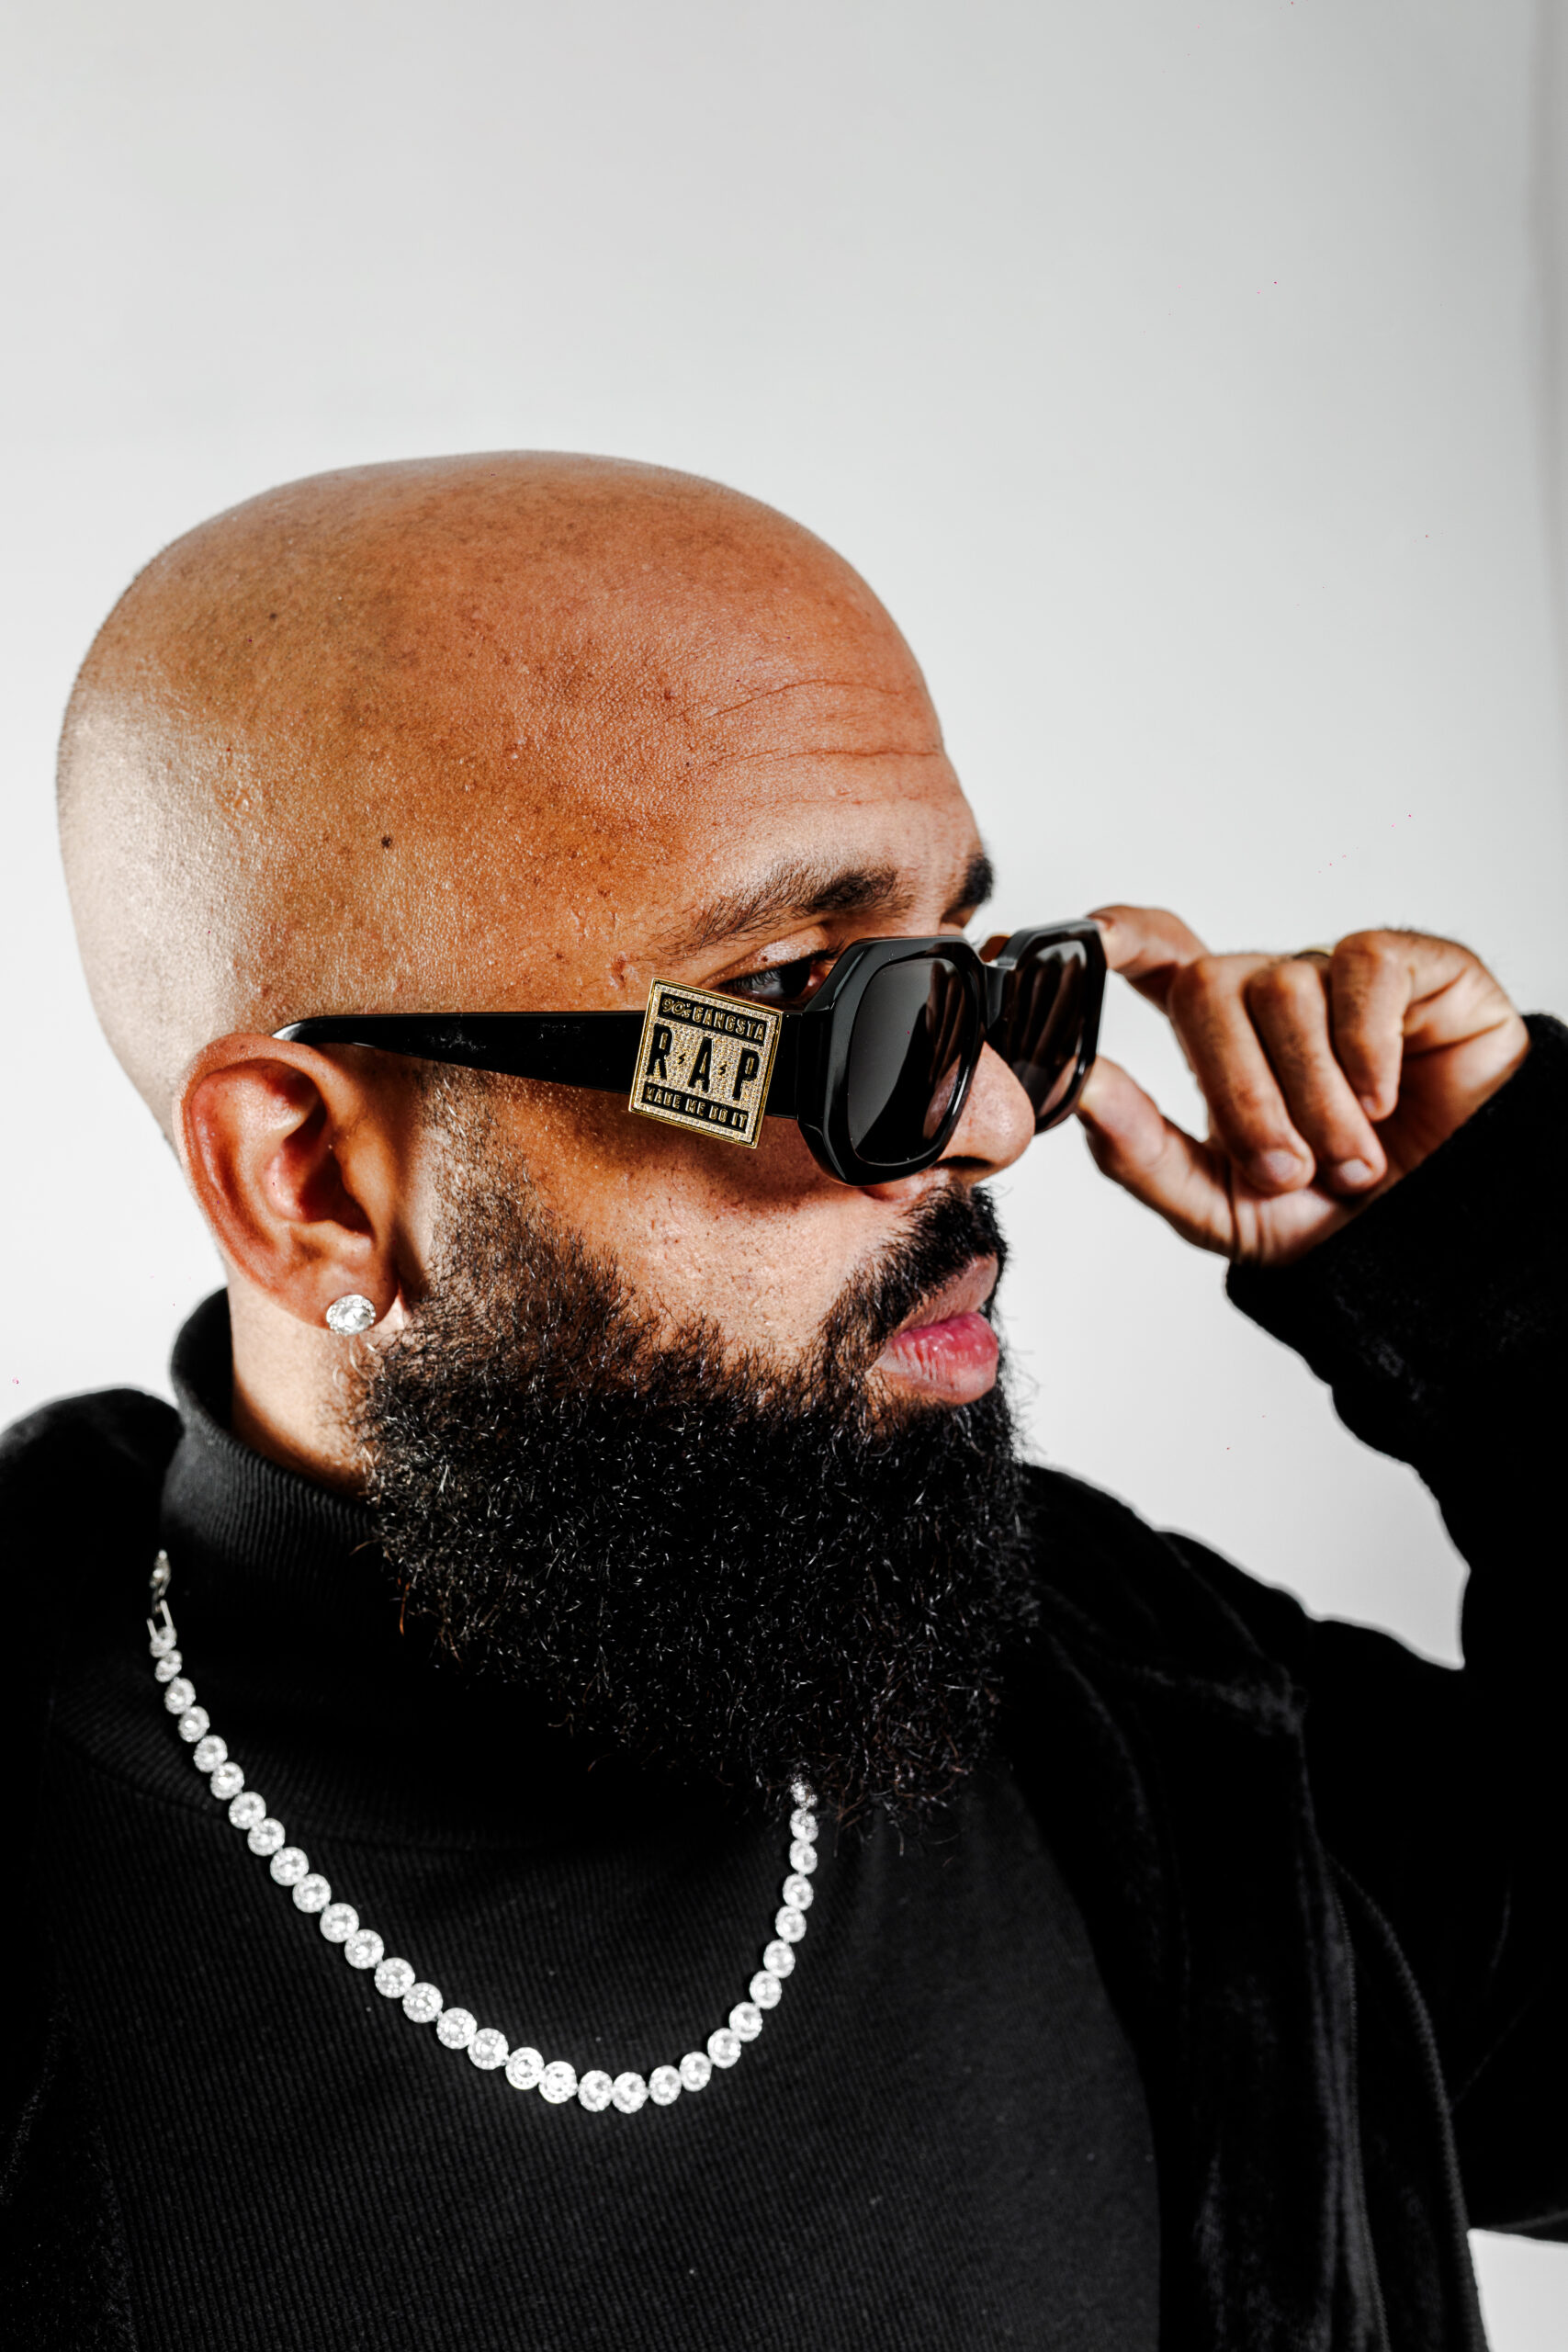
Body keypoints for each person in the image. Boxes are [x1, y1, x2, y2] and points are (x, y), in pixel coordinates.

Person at [3, 453, 1561, 2352]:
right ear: (312, 1178)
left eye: (974, 976)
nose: (1001, 1117)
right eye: (820, 1005)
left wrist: (1501, 1271)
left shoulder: (1138, 1713)